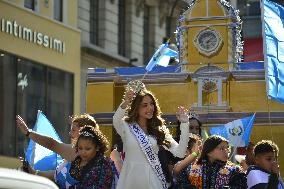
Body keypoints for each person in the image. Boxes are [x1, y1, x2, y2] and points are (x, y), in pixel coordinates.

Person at [113, 80, 190, 189]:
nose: (150, 108)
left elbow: (180, 152)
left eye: (151, 104)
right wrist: (126, 102)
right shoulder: (126, 125)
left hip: (153, 181)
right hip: (130, 180)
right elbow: (116, 120)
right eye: (145, 105)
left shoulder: (159, 129)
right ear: (136, 108)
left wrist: (185, 123)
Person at [16, 113, 99, 180]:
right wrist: (33, 172)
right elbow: (57, 175)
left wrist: (28, 132)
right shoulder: (83, 154)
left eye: (73, 130)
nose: (70, 134)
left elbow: (52, 144)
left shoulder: (77, 152)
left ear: (83, 132)